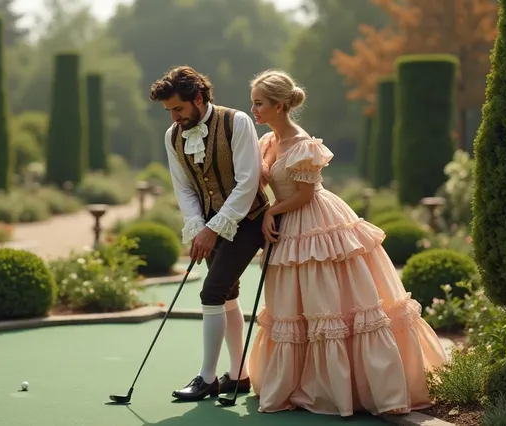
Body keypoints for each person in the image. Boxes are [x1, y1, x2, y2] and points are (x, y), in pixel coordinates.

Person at [244, 69, 448, 417]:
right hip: (288, 227)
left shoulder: (303, 144)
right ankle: (302, 382)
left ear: (279, 105)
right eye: (253, 103)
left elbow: (306, 195)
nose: (254, 110)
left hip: (314, 220)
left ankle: (349, 388)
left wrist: (270, 211)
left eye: (259, 103)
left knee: (329, 303)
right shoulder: (268, 141)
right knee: (297, 306)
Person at [149, 65, 270, 401]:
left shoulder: (237, 122)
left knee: (212, 291)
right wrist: (197, 229)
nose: (174, 117)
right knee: (227, 294)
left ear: (199, 98)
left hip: (247, 221)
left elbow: (247, 183)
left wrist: (214, 230)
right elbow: (184, 189)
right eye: (169, 111)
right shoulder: (172, 136)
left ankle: (207, 378)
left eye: (178, 109)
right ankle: (239, 374)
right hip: (208, 226)